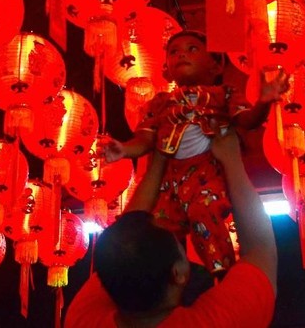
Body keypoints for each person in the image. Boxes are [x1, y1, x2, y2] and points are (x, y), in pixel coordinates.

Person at [103, 30, 288, 275]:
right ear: (166, 68)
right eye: (174, 52)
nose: (182, 54)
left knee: (206, 220)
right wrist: (124, 149)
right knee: (157, 234)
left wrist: (264, 103)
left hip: (206, 178)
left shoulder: (225, 95)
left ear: (214, 65)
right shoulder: (158, 103)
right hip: (169, 185)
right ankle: (161, 283)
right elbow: (145, 139)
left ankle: (222, 277)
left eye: (192, 49)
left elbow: (247, 121)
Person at [65, 127, 277, 328]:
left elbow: (127, 238)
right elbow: (260, 249)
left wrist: (158, 159)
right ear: (179, 273)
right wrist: (231, 158)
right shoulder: (216, 321)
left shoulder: (84, 319)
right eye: (175, 238)